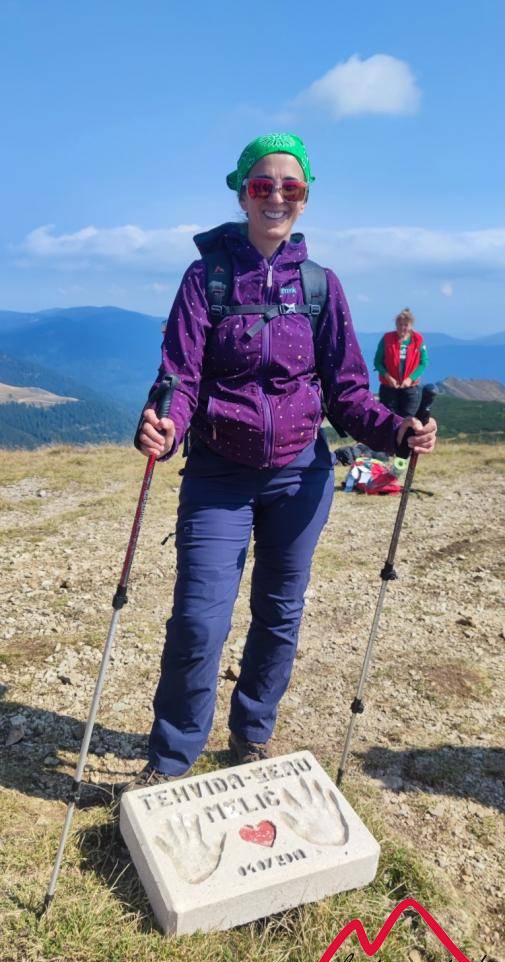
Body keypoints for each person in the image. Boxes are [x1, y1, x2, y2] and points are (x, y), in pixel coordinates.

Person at [127, 132, 437, 789]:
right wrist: (164, 424)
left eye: (290, 187)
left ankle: (251, 735)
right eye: (262, 185)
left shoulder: (320, 286)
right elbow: (179, 376)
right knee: (198, 619)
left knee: (279, 612)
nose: (275, 197)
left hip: (301, 475)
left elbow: (348, 392)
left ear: (304, 197)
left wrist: (397, 431)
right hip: (218, 472)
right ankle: (172, 758)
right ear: (241, 193)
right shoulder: (206, 279)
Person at [374, 308, 428, 417]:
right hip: (389, 388)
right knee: (389, 419)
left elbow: (423, 362)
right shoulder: (387, 339)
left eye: (406, 325)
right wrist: (388, 377)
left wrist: (410, 379)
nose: (402, 328)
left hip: (411, 388)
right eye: (400, 324)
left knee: (407, 420)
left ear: (411, 325)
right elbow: (377, 362)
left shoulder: (418, 339)